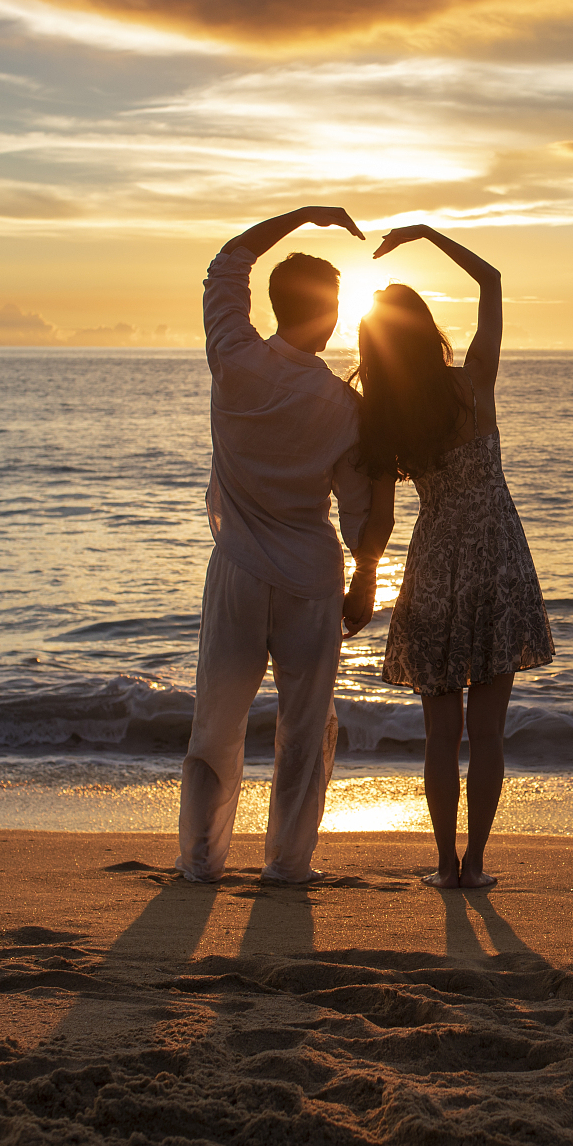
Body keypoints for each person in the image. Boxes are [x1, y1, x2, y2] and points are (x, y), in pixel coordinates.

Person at [178, 206, 397, 886]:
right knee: (305, 726)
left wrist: (302, 216)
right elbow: (361, 510)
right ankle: (288, 862)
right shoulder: (343, 405)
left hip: (239, 572)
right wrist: (364, 584)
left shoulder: (234, 361)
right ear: (331, 316)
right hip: (309, 577)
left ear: (276, 304)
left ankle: (200, 860)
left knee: (218, 717)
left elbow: (226, 262)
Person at [349, 223, 554, 889]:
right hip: (496, 557)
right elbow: (492, 281)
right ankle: (476, 865)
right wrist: (426, 233)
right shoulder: (473, 385)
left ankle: (443, 863)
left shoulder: (386, 418)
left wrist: (363, 580)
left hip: (435, 564)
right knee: (487, 732)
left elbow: (379, 518)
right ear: (427, 330)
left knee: (442, 734)